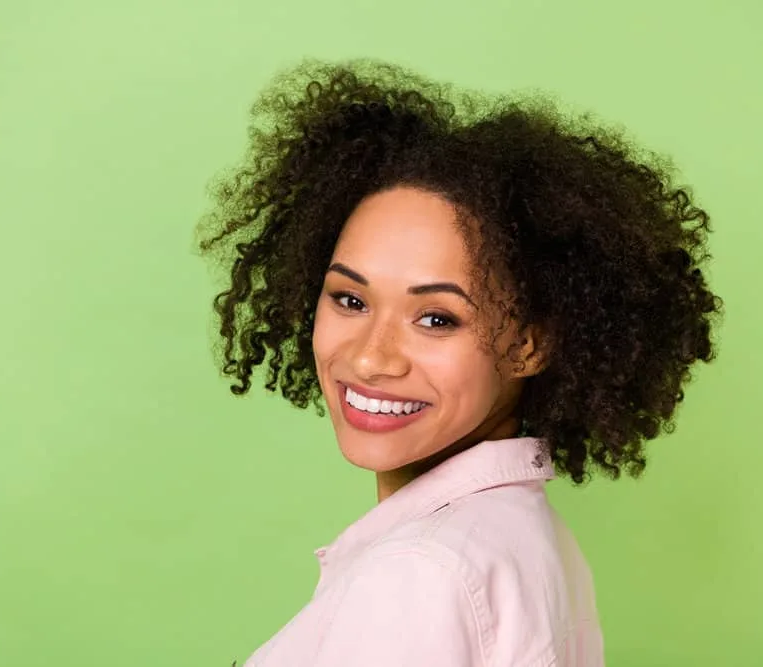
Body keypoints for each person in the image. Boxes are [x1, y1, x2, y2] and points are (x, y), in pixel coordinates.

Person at [196, 59, 721, 667]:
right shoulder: (524, 540)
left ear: (530, 344)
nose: (370, 356)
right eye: (349, 299)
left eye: (437, 318)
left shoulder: (419, 574)